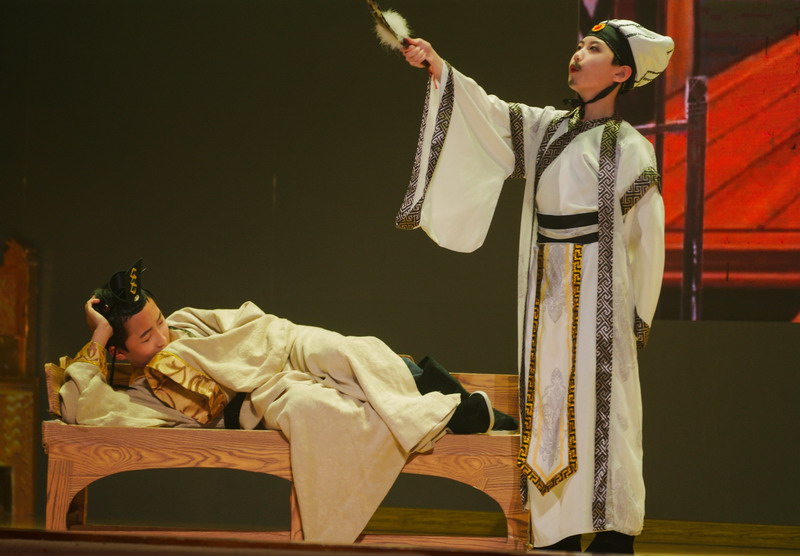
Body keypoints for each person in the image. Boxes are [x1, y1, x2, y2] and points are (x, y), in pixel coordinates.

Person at [397, 19, 673, 553]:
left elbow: (647, 235)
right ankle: (556, 528)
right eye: (580, 44)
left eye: (594, 48)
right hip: (547, 290)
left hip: (599, 297)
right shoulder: (547, 128)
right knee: (550, 406)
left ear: (621, 73)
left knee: (602, 408)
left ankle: (613, 530)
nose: (579, 53)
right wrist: (436, 65)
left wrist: (636, 314)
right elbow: (489, 114)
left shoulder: (631, 147)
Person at [60, 259, 515, 543]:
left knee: (352, 350)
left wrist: (268, 346)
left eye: (159, 320)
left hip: (284, 348)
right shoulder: (138, 391)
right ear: (119, 351)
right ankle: (450, 411)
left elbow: (252, 324)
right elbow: (83, 405)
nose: (162, 336)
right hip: (262, 398)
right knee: (317, 407)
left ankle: (452, 403)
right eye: (146, 336)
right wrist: (98, 337)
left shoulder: (188, 323)